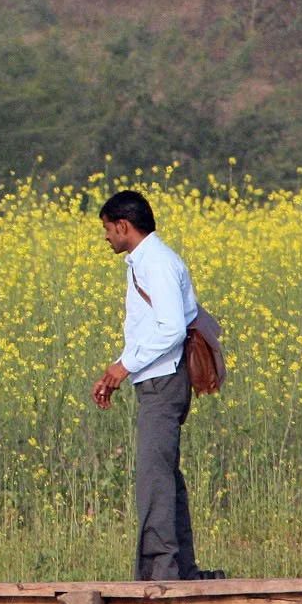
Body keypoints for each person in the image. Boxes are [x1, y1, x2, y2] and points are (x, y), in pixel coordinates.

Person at [90, 190, 211, 583]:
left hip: (164, 380)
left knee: (154, 476)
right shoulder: (147, 260)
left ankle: (161, 571)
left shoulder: (155, 263)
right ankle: (178, 568)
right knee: (163, 474)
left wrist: (122, 368)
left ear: (123, 226)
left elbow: (172, 328)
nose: (106, 237)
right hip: (157, 378)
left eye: (108, 229)